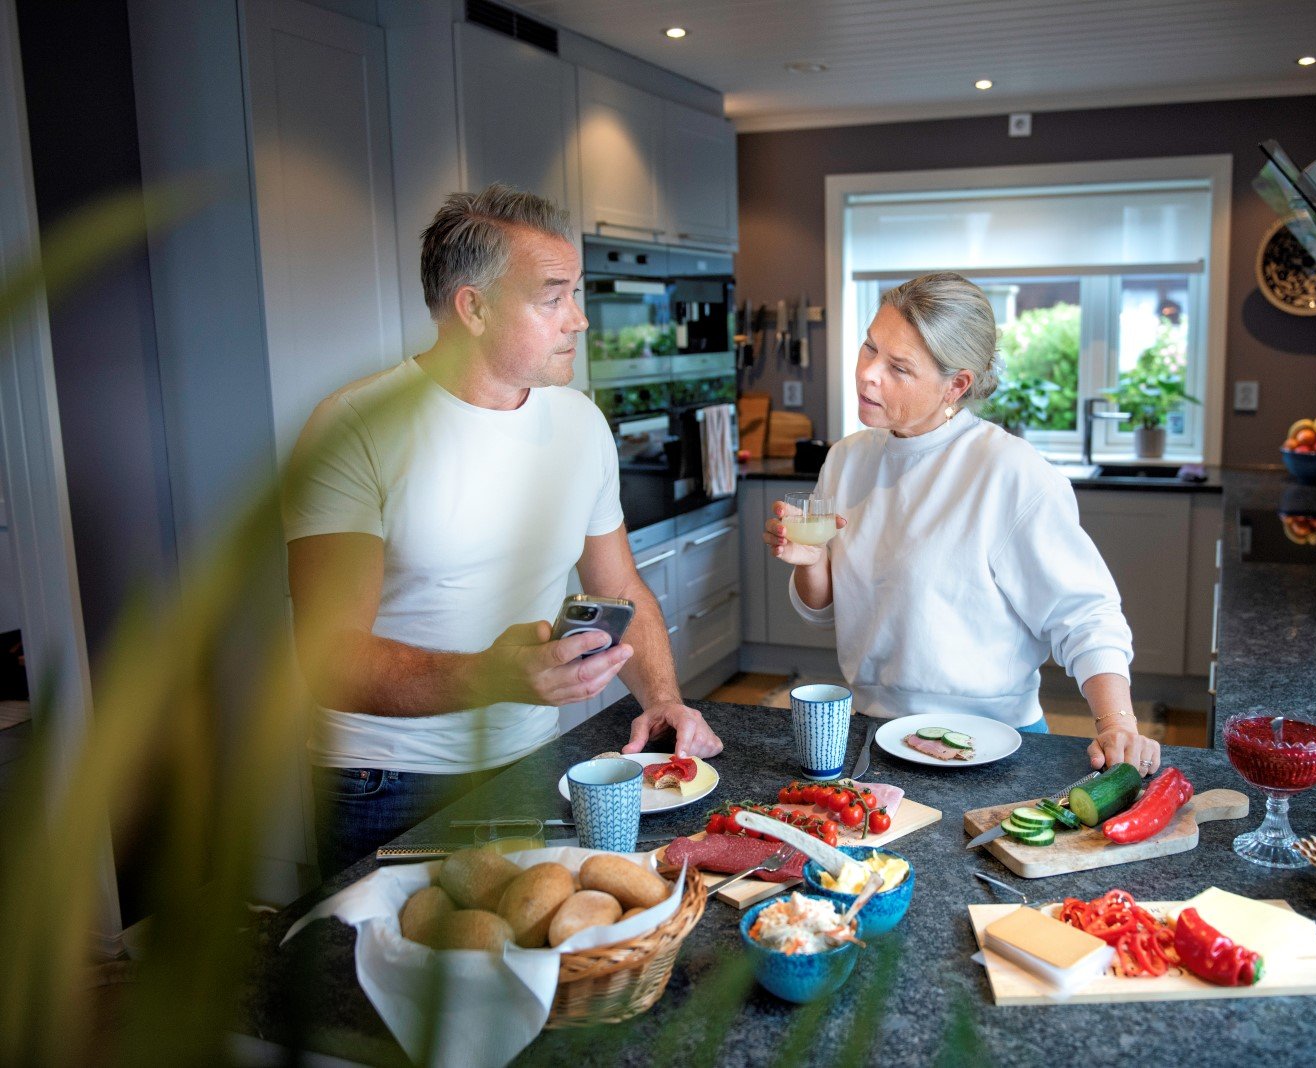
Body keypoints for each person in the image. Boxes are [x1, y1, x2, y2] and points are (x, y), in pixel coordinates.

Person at [284, 185, 722, 875]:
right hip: (385, 782)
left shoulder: (578, 423)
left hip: (531, 757)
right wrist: (494, 677)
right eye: (552, 298)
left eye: (576, 293)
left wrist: (663, 701)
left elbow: (619, 584)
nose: (578, 319)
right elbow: (328, 659)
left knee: (533, 967)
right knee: (383, 981)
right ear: (475, 308)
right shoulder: (353, 428)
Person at [764, 272, 1160, 775]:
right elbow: (824, 608)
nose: (868, 373)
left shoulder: (1009, 473)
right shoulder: (846, 460)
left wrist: (1117, 722)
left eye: (898, 367)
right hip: (872, 734)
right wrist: (810, 559)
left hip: (993, 746)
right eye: (869, 347)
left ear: (957, 384)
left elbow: (1086, 616)